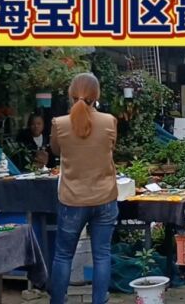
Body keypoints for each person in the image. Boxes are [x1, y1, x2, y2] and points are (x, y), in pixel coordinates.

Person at [50, 73, 118, 304]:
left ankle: (58, 301)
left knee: (62, 255)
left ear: (71, 94)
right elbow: (109, 148)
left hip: (72, 200)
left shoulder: (59, 124)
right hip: (105, 198)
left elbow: (57, 151)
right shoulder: (110, 121)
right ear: (96, 95)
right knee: (102, 255)